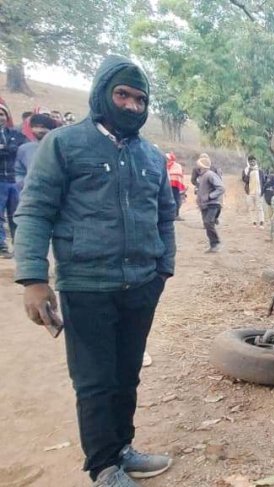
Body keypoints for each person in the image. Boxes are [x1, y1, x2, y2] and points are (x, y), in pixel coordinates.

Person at [13, 54, 176, 486]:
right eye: (122, 95)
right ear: (102, 93)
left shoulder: (152, 156)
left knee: (127, 373)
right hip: (86, 285)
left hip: (141, 284)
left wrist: (164, 269)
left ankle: (122, 447)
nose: (131, 106)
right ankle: (103, 467)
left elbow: (164, 215)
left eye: (140, 99)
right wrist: (33, 279)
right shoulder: (64, 145)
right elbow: (34, 213)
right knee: (95, 380)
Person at [0, 98, 27, 258]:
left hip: (15, 181)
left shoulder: (15, 134)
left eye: (2, 114)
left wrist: (5, 148)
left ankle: (20, 247)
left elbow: (21, 149)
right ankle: (1, 246)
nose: (0, 117)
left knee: (16, 215)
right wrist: (8, 149)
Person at [15, 113, 56, 191]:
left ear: (51, 129)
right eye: (35, 127)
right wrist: (22, 183)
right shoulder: (24, 149)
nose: (39, 130)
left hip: (54, 192)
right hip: (30, 193)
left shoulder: (59, 147)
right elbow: (19, 170)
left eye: (43, 127)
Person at [195, 154, 224, 253]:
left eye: (199, 164)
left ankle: (215, 243)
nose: (197, 166)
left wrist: (210, 196)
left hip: (213, 203)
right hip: (204, 204)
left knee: (208, 222)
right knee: (207, 224)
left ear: (202, 165)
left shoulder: (210, 174)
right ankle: (213, 245)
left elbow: (221, 188)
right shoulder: (201, 176)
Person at [241, 155, 265, 227]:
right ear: (248, 162)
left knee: (260, 207)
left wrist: (262, 191)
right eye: (250, 161)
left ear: (256, 161)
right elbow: (245, 180)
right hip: (250, 192)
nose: (252, 163)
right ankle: (254, 222)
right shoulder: (245, 170)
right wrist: (249, 172)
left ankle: (261, 222)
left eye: (253, 161)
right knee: (252, 208)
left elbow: (263, 181)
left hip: (258, 192)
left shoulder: (260, 171)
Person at [166, 152, 186, 220]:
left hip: (175, 186)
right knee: (167, 200)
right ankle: (170, 214)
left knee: (176, 200)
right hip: (166, 185)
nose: (167, 159)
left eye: (168, 158)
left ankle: (176, 214)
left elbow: (179, 175)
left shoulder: (177, 166)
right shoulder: (164, 165)